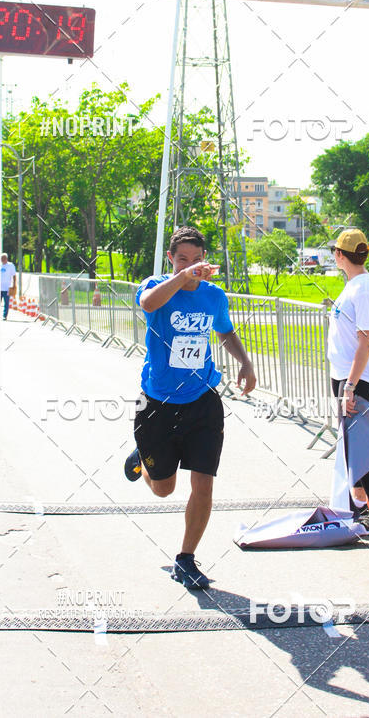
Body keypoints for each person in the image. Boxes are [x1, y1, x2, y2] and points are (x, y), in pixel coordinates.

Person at [124, 226, 257, 589]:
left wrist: (244, 361)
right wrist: (181, 277)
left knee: (203, 484)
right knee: (163, 489)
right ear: (172, 259)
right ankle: (144, 460)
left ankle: (186, 559)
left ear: (205, 260)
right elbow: (148, 304)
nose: (192, 266)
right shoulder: (156, 286)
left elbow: (225, 330)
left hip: (203, 401)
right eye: (183, 259)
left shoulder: (213, 296)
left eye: (197, 260)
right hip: (159, 403)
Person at [327, 228, 369, 535]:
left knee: (360, 442)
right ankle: (361, 504)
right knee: (352, 443)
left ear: (341, 255)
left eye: (334, 252)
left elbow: (366, 342)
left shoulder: (363, 287)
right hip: (345, 372)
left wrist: (351, 386)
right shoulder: (353, 285)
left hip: (358, 375)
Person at [0, 253, 16, 320]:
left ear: (6, 258)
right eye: (1, 259)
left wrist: (14, 284)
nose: (2, 260)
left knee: (6, 302)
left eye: (4, 258)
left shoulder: (10, 265)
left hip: (7, 287)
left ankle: (5, 315)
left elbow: (14, 275)